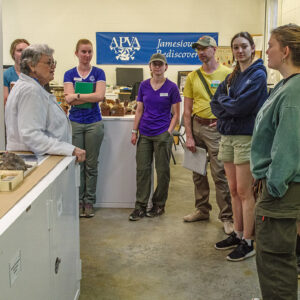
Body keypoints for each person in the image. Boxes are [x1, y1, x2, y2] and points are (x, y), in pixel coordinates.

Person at [251, 23, 300, 300]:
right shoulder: (286, 85)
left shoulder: (294, 92)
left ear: (286, 50)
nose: (266, 50)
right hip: (281, 186)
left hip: (282, 189)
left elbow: (289, 147)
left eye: (270, 45)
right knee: (276, 260)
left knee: (275, 261)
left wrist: (273, 187)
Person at [210, 32, 268, 261]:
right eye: (236, 47)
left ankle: (249, 241)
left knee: (245, 192)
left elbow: (240, 107)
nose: (240, 51)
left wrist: (227, 104)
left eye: (244, 46)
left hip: (245, 137)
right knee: (232, 190)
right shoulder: (233, 75)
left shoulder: (258, 74)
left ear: (252, 47)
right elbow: (215, 103)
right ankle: (238, 232)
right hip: (227, 135)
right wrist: (228, 104)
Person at [183, 35, 233, 234]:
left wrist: (225, 119)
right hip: (196, 126)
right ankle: (202, 209)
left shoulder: (228, 74)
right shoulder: (192, 77)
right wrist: (188, 135)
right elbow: (187, 109)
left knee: (220, 174)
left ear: (214, 49)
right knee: (197, 172)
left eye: (204, 48)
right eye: (198, 49)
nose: (201, 52)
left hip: (217, 130)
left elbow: (235, 103)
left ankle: (227, 217)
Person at [5, 44, 85, 163]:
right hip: (36, 161)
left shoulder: (30, 87)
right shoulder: (30, 90)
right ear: (32, 65)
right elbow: (31, 135)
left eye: (54, 62)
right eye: (49, 63)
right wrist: (69, 149)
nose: (53, 67)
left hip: (37, 158)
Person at [129, 53, 181, 221]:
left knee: (163, 171)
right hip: (144, 133)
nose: (157, 67)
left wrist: (169, 132)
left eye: (160, 64)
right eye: (154, 64)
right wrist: (134, 131)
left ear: (166, 67)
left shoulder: (171, 87)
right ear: (150, 67)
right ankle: (140, 206)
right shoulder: (143, 86)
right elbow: (139, 110)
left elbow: (176, 114)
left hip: (162, 135)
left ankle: (159, 204)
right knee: (142, 171)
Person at [64, 39, 106, 218]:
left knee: (91, 165)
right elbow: (67, 99)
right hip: (75, 123)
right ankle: (78, 200)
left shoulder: (98, 72)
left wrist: (78, 95)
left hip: (94, 123)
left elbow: (100, 96)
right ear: (76, 53)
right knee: (77, 164)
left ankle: (89, 201)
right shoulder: (69, 73)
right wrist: (87, 96)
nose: (87, 55)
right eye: (83, 52)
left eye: (90, 52)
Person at [3, 38, 30, 105]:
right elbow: (5, 101)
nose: (23, 54)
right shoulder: (6, 75)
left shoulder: (35, 74)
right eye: (19, 50)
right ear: (13, 54)